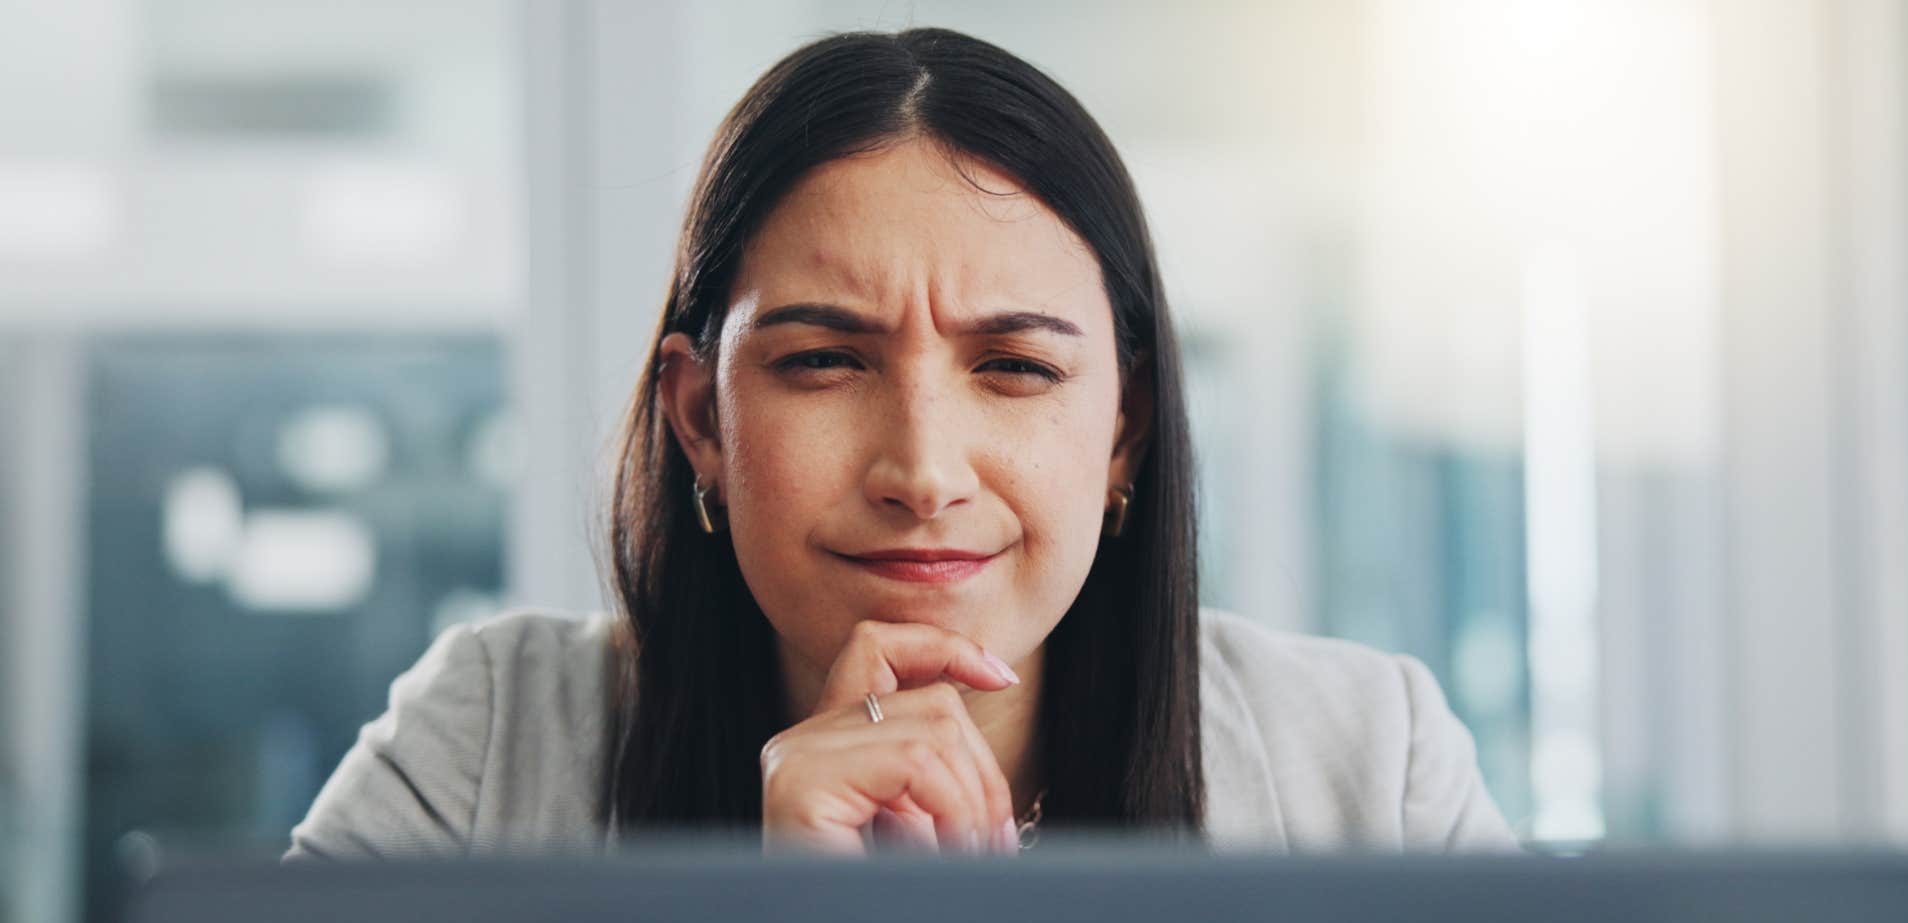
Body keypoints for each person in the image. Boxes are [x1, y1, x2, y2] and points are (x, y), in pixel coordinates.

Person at [286, 27, 1517, 861]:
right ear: (701, 420)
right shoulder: (493, 741)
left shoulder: (1370, 765)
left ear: (1124, 432)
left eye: (1017, 368)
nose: (923, 473)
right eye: (825, 362)